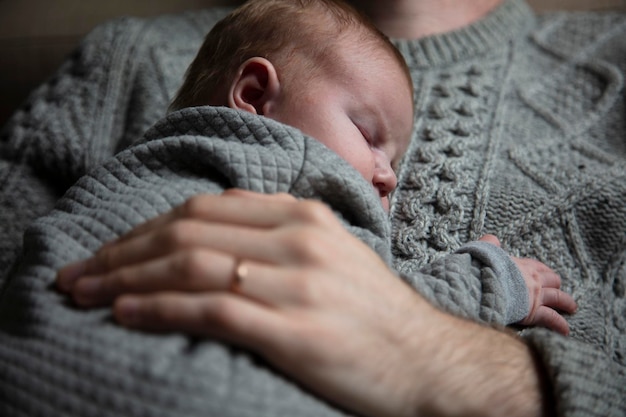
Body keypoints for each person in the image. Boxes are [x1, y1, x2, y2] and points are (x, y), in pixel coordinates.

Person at [0, 1, 623, 417]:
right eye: (367, 134)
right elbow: (391, 286)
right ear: (252, 96)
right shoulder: (280, 159)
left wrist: (445, 357)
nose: (388, 176)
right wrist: (492, 278)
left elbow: (374, 307)